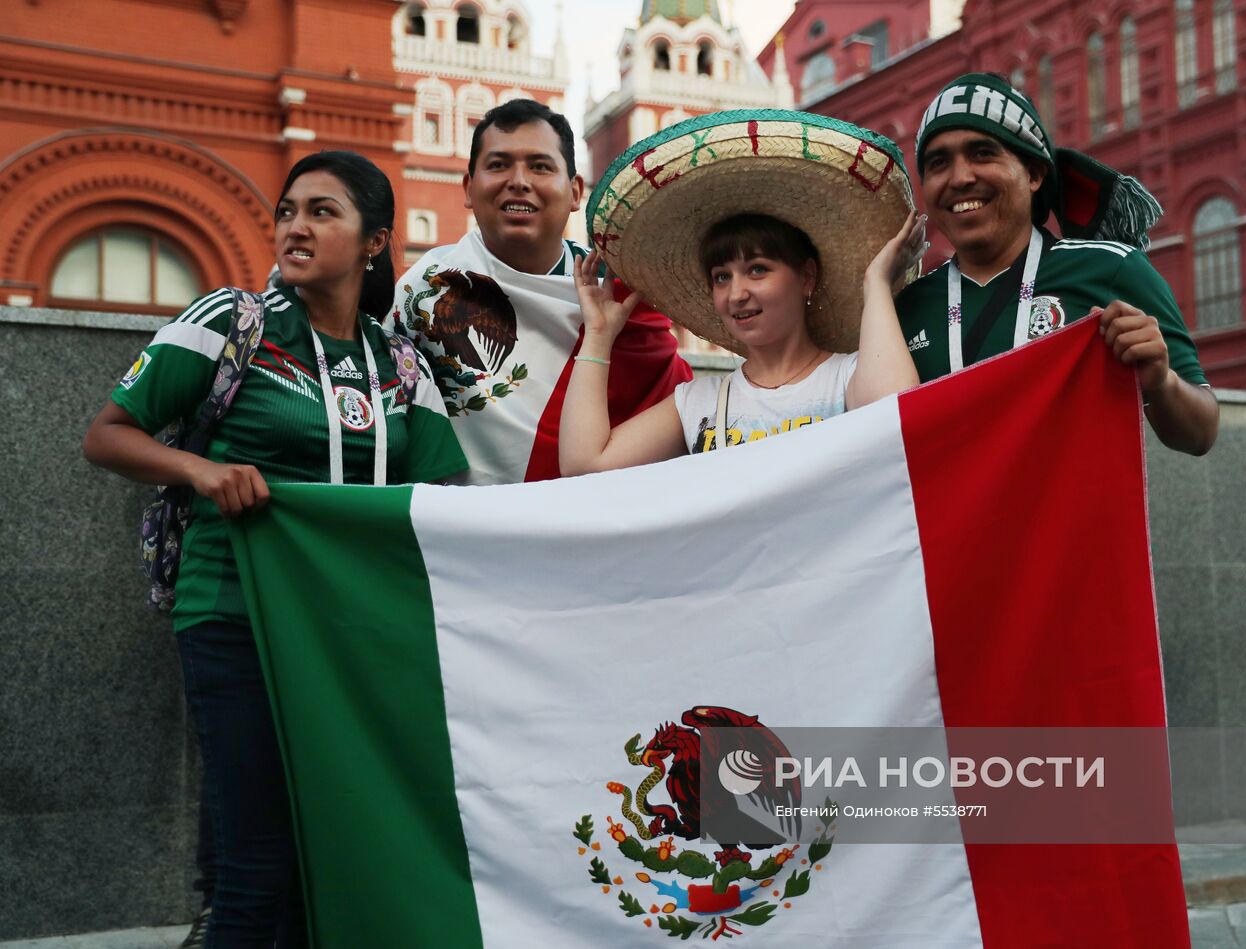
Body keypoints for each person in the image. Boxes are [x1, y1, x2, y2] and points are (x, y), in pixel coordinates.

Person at [82, 151, 468, 947]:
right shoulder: (232, 321)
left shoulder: (398, 363)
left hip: (350, 632)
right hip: (232, 612)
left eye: (323, 212)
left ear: (374, 242)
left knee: (318, 852)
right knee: (256, 871)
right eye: (289, 210)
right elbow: (107, 436)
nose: (296, 225)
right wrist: (202, 469)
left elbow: (443, 496)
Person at [557, 109, 925, 472]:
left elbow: (897, 416)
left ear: (806, 277)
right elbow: (585, 464)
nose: (736, 294)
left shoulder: (848, 378)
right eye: (721, 277)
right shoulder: (698, 402)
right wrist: (599, 336)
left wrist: (876, 282)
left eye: (757, 270)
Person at [898, 72, 1219, 455]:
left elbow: (1201, 434)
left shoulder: (1109, 269)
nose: (961, 177)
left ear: (1033, 174)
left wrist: (1161, 382)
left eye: (983, 153)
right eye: (938, 163)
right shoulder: (908, 307)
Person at [391, 98, 692, 485]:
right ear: (468, 188)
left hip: (589, 525)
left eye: (540, 166)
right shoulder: (423, 289)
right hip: (462, 528)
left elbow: (685, 421)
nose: (519, 180)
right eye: (498, 165)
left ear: (574, 193)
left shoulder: (616, 293)